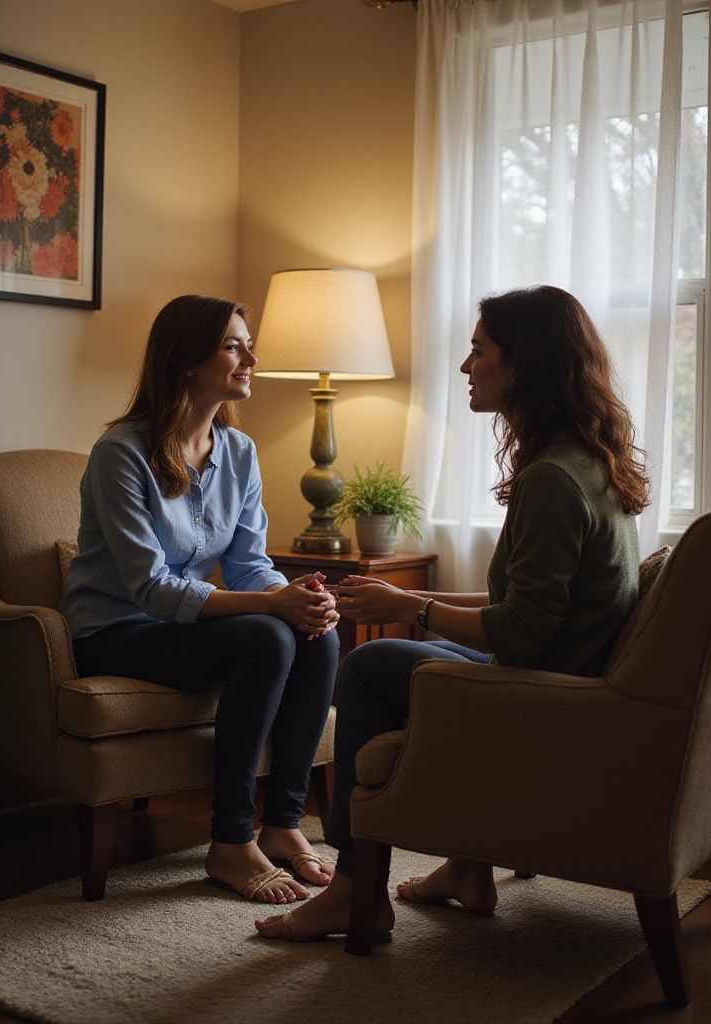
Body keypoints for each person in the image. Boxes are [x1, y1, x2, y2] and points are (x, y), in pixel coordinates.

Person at [255, 284, 647, 941]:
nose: (466, 367)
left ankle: (354, 891)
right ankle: (466, 866)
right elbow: (530, 605)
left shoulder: (552, 480)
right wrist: (408, 602)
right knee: (386, 657)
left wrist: (409, 608)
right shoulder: (584, 461)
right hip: (563, 673)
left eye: (478, 351)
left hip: (544, 694)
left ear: (525, 363)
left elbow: (522, 629)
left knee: (370, 665)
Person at [60, 295, 340, 906]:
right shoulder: (121, 453)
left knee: (317, 630)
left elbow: (249, 565)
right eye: (234, 346)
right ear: (187, 360)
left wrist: (294, 597)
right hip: (114, 632)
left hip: (179, 630)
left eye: (248, 344)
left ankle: (282, 823)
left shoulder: (238, 453)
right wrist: (270, 609)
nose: (252, 358)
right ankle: (230, 843)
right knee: (267, 635)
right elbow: (152, 589)